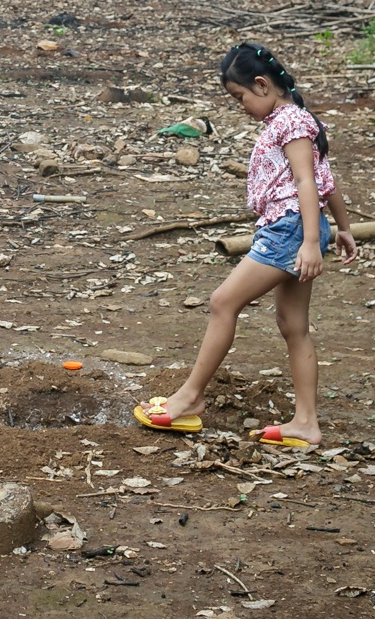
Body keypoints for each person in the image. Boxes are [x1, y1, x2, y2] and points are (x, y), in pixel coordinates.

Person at [136, 44, 356, 444]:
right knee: (293, 326)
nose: (241, 107)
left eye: (240, 98)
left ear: (262, 84)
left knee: (223, 302)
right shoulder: (296, 119)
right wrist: (341, 228)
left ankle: (190, 398)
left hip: (290, 229)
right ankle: (306, 422)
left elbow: (307, 181)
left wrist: (311, 241)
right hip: (298, 227)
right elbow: (327, 180)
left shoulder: (291, 122)